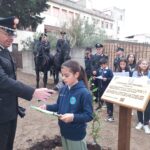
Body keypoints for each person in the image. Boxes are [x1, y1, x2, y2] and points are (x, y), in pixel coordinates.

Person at [0, 16, 55, 150]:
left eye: (13, 34)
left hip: (9, 111)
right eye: (7, 33)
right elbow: (3, 80)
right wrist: (33, 91)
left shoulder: (5, 52)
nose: (12, 38)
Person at [40, 60, 93, 150]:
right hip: (64, 132)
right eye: (62, 75)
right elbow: (58, 106)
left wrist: (73, 117)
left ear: (76, 74)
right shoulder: (63, 89)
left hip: (76, 135)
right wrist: (47, 107)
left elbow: (89, 115)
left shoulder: (84, 93)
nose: (63, 78)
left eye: (66, 75)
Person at [132, 59, 150, 134]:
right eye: (143, 63)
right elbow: (133, 81)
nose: (145, 65)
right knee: (139, 108)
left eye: (146, 64)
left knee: (147, 109)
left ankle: (145, 124)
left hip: (147, 93)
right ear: (139, 65)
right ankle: (140, 122)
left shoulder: (149, 73)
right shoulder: (135, 73)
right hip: (139, 93)